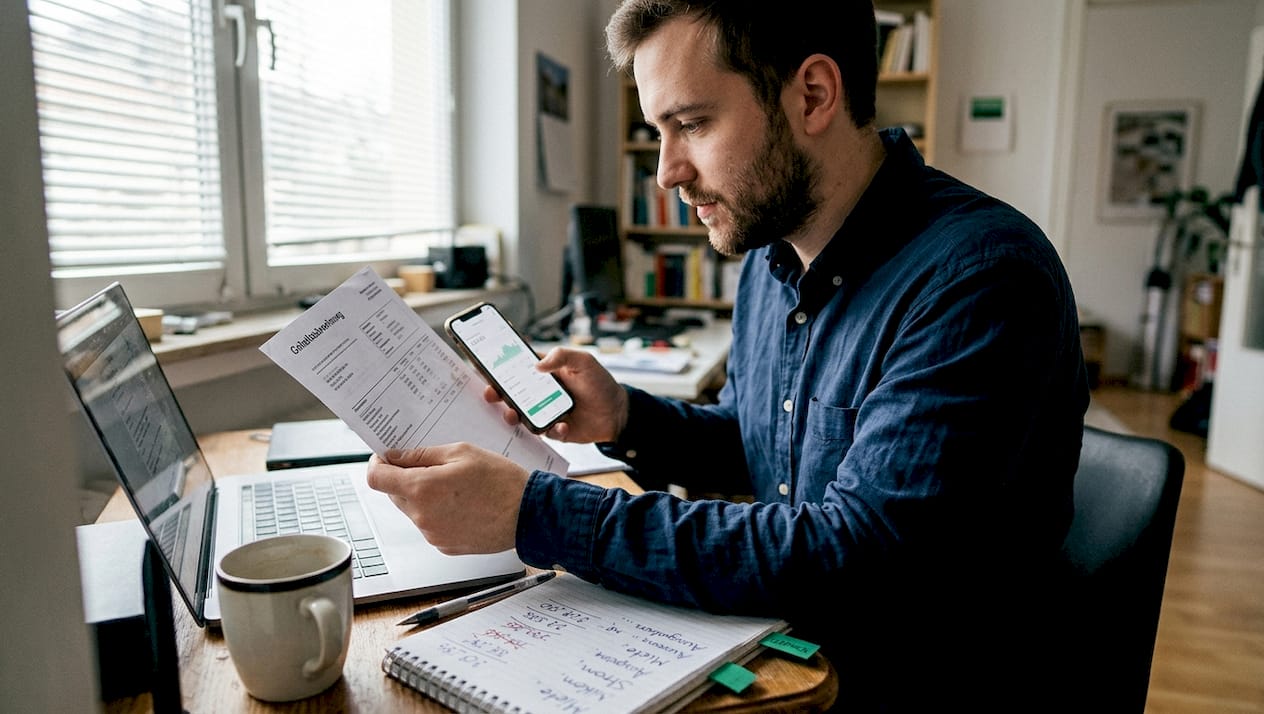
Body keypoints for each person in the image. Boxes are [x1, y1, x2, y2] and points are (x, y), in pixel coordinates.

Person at [368, 1, 1090, 710]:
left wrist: (537, 513)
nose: (666, 172)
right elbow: (760, 447)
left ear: (813, 94)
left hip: (902, 678)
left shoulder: (983, 276)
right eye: (658, 131)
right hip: (781, 645)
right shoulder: (769, 259)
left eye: (691, 124)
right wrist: (625, 417)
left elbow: (861, 561)